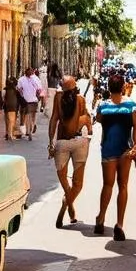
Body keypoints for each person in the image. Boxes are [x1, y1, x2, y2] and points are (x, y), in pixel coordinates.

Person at [94, 73, 136, 241]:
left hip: (107, 148)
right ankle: (119, 225)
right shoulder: (131, 107)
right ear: (123, 87)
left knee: (107, 185)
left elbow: (98, 119)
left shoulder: (103, 107)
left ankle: (101, 218)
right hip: (125, 150)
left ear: (108, 87)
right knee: (123, 186)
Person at [48, 75, 93, 227]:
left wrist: (50, 143)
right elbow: (85, 120)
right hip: (79, 142)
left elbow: (54, 119)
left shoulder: (58, 97)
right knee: (78, 184)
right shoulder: (80, 99)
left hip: (61, 142)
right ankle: (67, 206)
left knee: (65, 182)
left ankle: (66, 205)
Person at [16, 66, 42, 140]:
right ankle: (29, 130)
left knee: (29, 115)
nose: (31, 73)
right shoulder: (24, 79)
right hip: (28, 101)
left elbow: (39, 89)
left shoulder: (33, 79)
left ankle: (29, 129)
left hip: (30, 100)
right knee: (29, 115)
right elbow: (19, 89)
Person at [2, 74, 21, 141]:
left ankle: (7, 133)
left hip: (6, 107)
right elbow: (19, 98)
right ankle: (10, 135)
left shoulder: (5, 90)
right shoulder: (16, 91)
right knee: (12, 121)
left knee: (7, 121)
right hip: (13, 107)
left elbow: (3, 98)